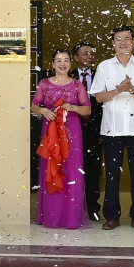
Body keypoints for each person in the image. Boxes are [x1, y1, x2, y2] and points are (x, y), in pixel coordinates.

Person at [91, 26, 134, 231]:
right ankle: (112, 215)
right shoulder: (104, 66)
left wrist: (133, 89)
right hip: (112, 128)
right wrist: (118, 90)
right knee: (112, 173)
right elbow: (98, 97)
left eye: (127, 38)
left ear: (133, 42)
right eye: (118, 39)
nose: (123, 42)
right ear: (113, 43)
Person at [32, 50, 93, 229]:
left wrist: (73, 107)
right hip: (51, 134)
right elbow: (34, 106)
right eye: (58, 60)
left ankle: (70, 218)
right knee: (53, 170)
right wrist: (43, 110)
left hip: (72, 134)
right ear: (53, 64)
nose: (62, 63)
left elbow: (88, 109)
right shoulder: (44, 84)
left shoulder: (76, 85)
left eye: (66, 60)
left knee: (71, 171)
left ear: (70, 64)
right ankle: (52, 216)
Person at [72, 42, 103, 222]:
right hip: (72, 129)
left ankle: (92, 207)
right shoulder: (67, 76)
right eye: (85, 53)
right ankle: (73, 206)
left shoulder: (101, 75)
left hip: (94, 130)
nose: (90, 56)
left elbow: (104, 105)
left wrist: (102, 131)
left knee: (93, 170)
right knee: (72, 169)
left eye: (92, 53)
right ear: (76, 58)